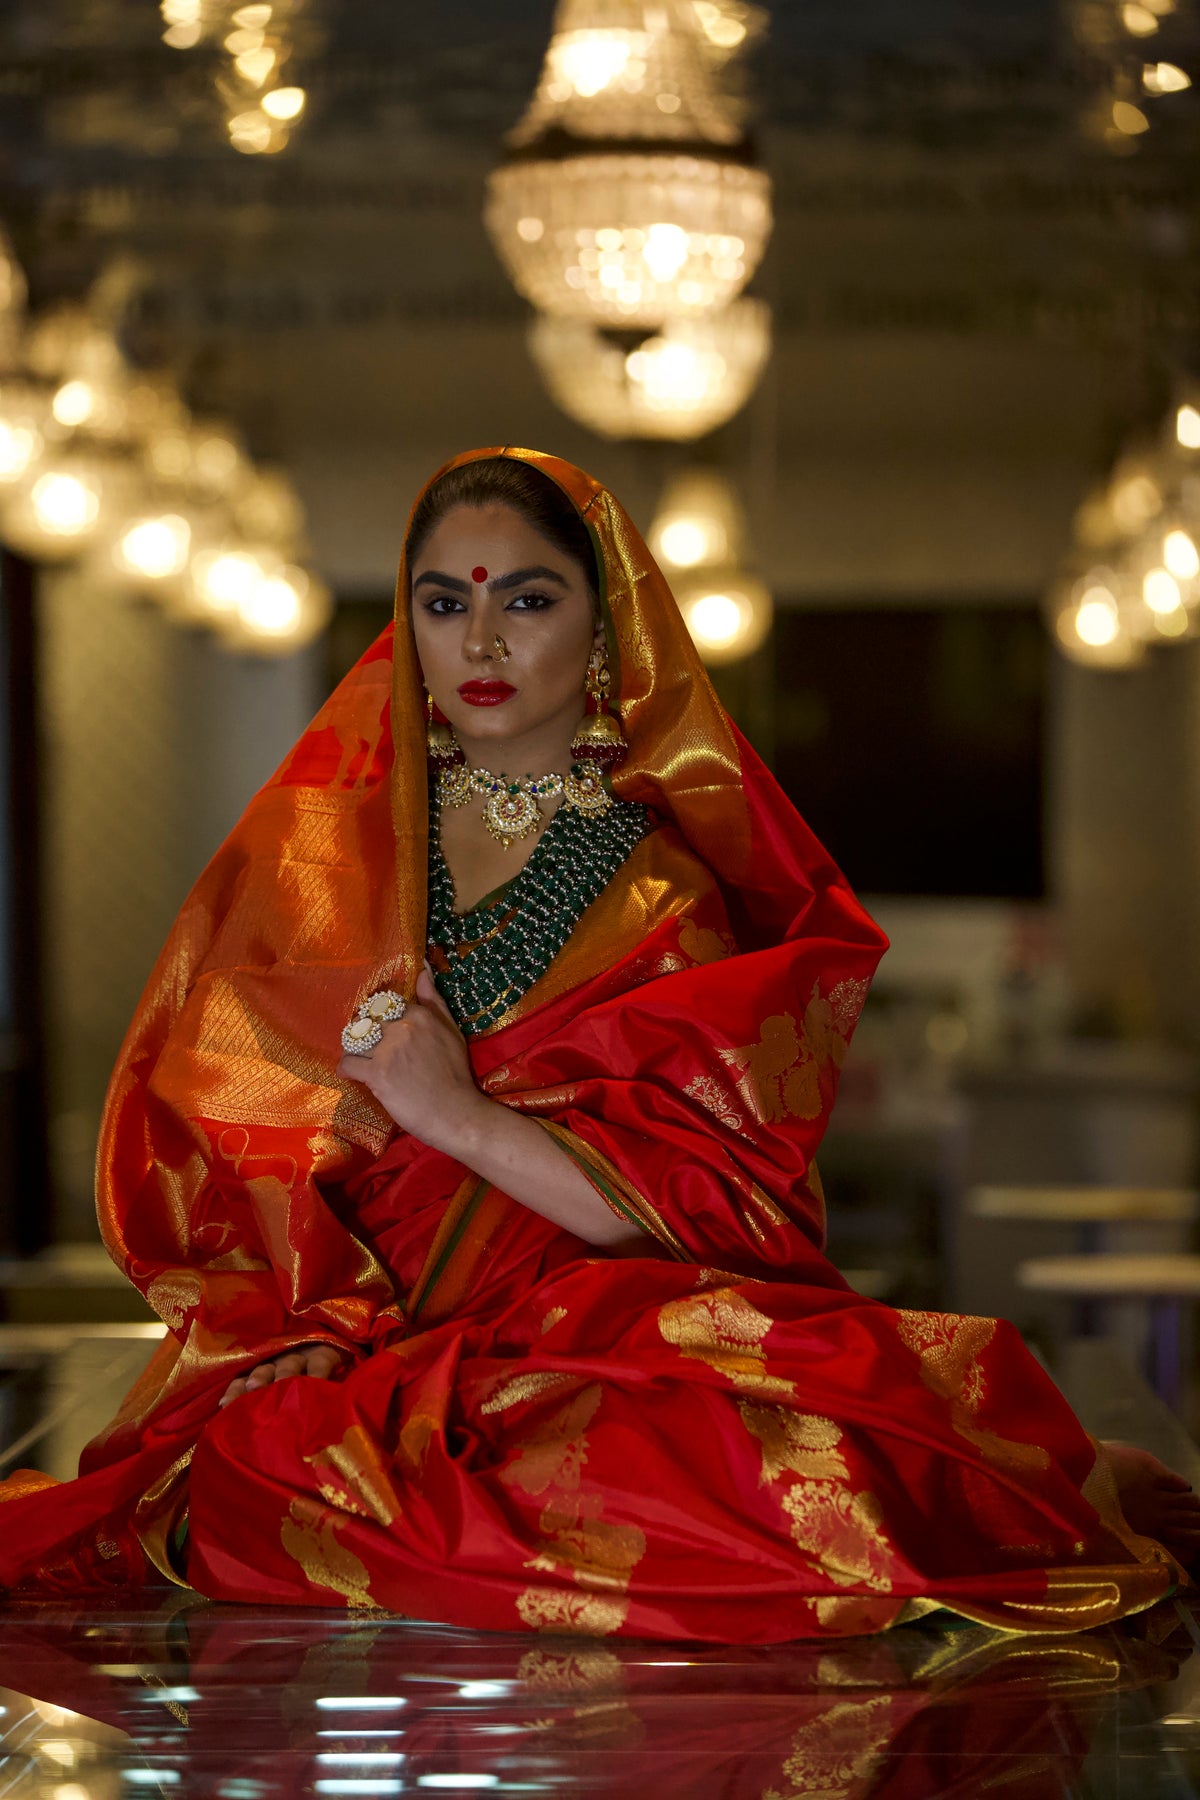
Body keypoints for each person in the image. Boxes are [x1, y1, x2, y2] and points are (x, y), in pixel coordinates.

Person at [1, 446, 1197, 1637]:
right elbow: (217, 1141)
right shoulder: (324, 858)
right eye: (442, 601)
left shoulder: (664, 894)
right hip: (353, 1339)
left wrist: (457, 1117)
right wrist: (289, 1332)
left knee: (729, 1462)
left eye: (526, 599)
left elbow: (695, 1212)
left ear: (607, 623)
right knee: (277, 1463)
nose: (481, 643)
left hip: (587, 1326)